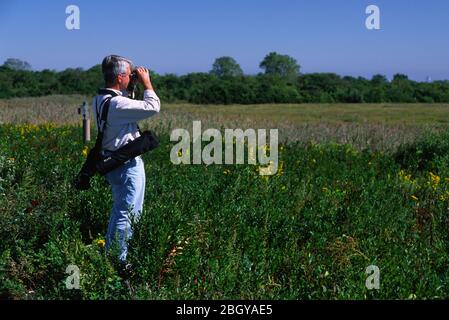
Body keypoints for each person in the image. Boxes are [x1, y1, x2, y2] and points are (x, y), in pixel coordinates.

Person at [92, 55, 161, 266]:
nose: (132, 77)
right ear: (121, 77)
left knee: (120, 210)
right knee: (128, 213)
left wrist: (131, 87)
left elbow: (128, 104)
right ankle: (118, 262)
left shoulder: (102, 99)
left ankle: (112, 255)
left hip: (114, 162)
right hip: (126, 166)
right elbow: (152, 106)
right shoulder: (118, 104)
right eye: (130, 74)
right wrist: (147, 83)